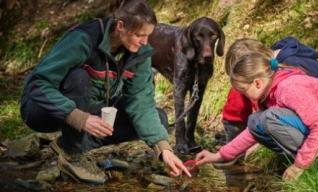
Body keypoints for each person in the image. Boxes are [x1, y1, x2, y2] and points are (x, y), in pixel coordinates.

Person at [20, 0, 190, 184]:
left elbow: (142, 104)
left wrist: (164, 149)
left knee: (160, 118)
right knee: (78, 78)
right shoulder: (83, 39)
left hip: (90, 108)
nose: (145, 42)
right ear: (121, 26)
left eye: (148, 35)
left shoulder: (140, 53)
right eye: (139, 35)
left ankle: (70, 144)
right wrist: (79, 118)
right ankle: (74, 154)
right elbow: (37, 84)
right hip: (41, 109)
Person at [195, 38, 318, 181]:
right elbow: (252, 131)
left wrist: (299, 166)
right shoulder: (271, 88)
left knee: (269, 118)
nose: (245, 96)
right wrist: (220, 155)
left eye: (244, 91)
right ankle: (313, 158)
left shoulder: (289, 88)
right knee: (255, 121)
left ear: (257, 83)